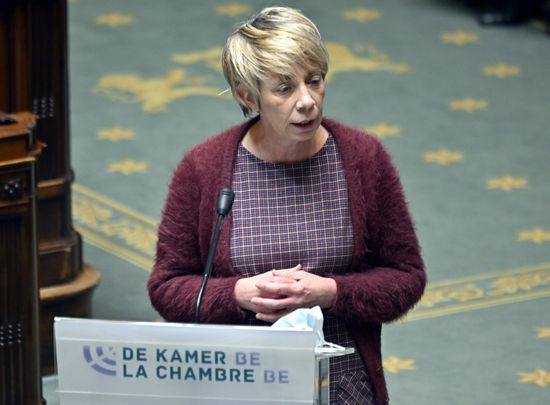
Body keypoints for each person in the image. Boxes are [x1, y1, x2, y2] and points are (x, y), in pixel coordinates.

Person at [148, 6, 426, 405]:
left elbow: (406, 278)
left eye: (314, 81)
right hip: (241, 383)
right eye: (284, 88)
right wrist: (238, 294)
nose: (307, 101)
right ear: (248, 95)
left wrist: (330, 291)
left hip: (344, 385)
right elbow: (167, 288)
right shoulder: (203, 168)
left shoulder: (363, 158)